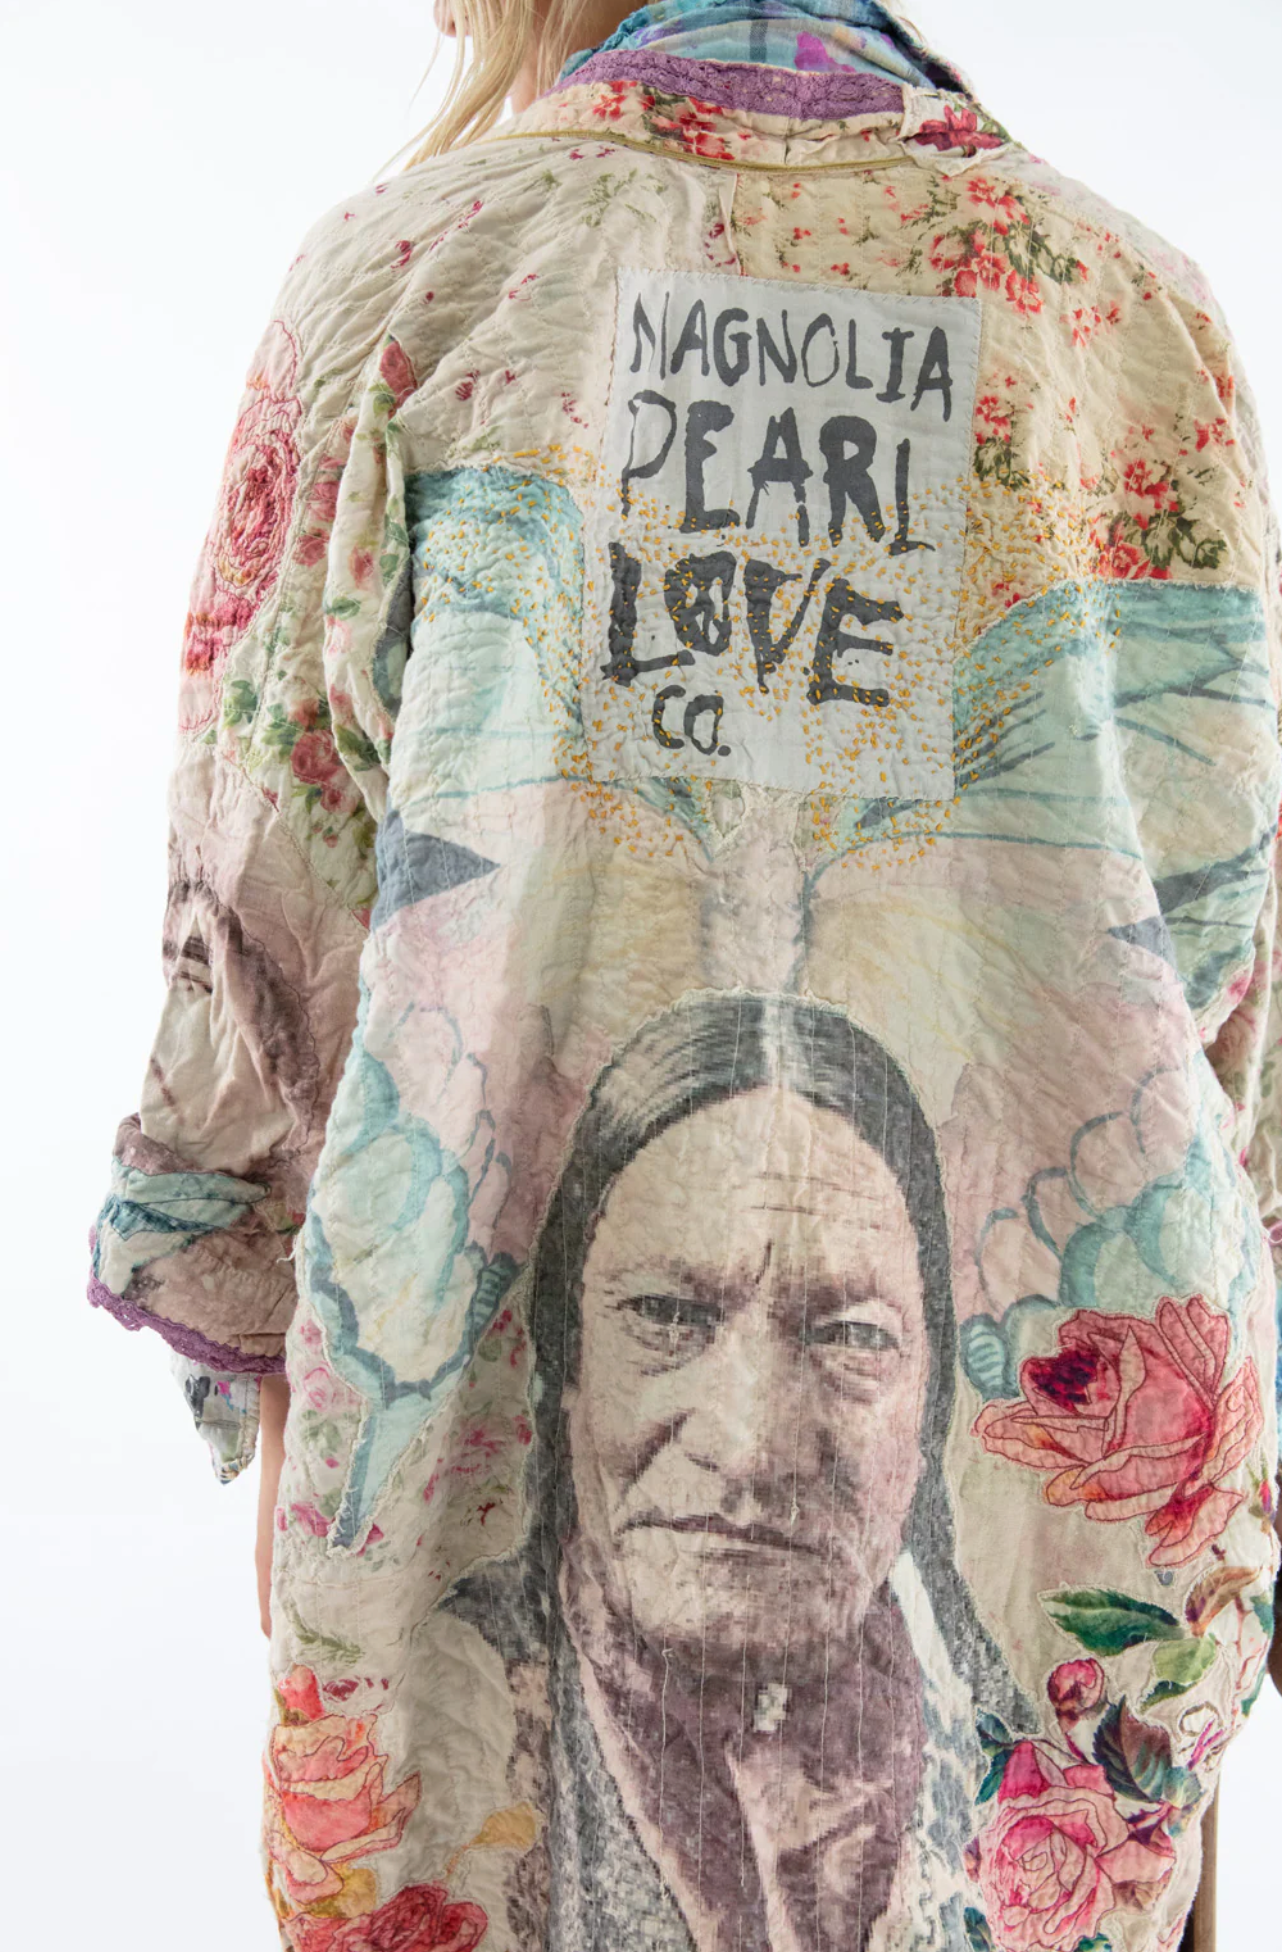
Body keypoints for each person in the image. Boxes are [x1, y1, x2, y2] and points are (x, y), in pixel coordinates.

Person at [85, 4, 1282, 1949]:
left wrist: (310, 1463)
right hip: (1064, 1657)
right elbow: (1233, 1018)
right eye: (661, 1309)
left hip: (471, 1590)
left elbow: (254, 966)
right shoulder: (1127, 317)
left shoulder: (416, 285)